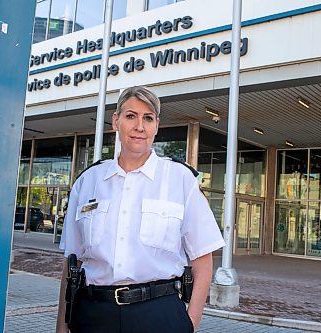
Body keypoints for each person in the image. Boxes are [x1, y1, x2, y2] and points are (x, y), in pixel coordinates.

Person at [56, 86, 224, 333]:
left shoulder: (180, 180)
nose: (139, 126)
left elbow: (203, 260)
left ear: (156, 126)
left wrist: (190, 325)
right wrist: (61, 327)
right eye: (130, 116)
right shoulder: (88, 182)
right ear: (116, 121)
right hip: (94, 315)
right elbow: (71, 264)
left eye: (148, 118)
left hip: (159, 314)